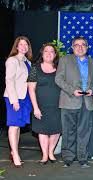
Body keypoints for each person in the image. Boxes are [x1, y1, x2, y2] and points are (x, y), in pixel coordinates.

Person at [55, 36, 93, 168]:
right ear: (72, 47)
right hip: (69, 100)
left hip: (86, 102)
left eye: (83, 45)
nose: (80, 47)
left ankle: (82, 158)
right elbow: (58, 79)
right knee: (68, 131)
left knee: (84, 132)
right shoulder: (64, 60)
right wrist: (72, 90)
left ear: (87, 47)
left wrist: (92, 90)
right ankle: (68, 158)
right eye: (77, 45)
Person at [28, 43, 61, 165]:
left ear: (55, 54)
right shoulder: (34, 68)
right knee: (42, 130)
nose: (49, 53)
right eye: (46, 51)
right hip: (40, 106)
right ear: (42, 53)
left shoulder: (60, 68)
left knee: (56, 130)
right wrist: (35, 108)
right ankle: (45, 155)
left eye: (52, 51)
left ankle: (51, 152)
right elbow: (31, 89)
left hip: (58, 106)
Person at [3, 36, 33, 168]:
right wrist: (14, 101)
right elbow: (9, 81)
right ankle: (15, 154)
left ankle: (13, 151)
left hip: (24, 97)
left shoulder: (28, 62)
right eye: (21, 44)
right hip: (13, 97)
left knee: (19, 125)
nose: (24, 46)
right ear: (16, 46)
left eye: (26, 44)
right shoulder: (12, 60)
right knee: (13, 125)